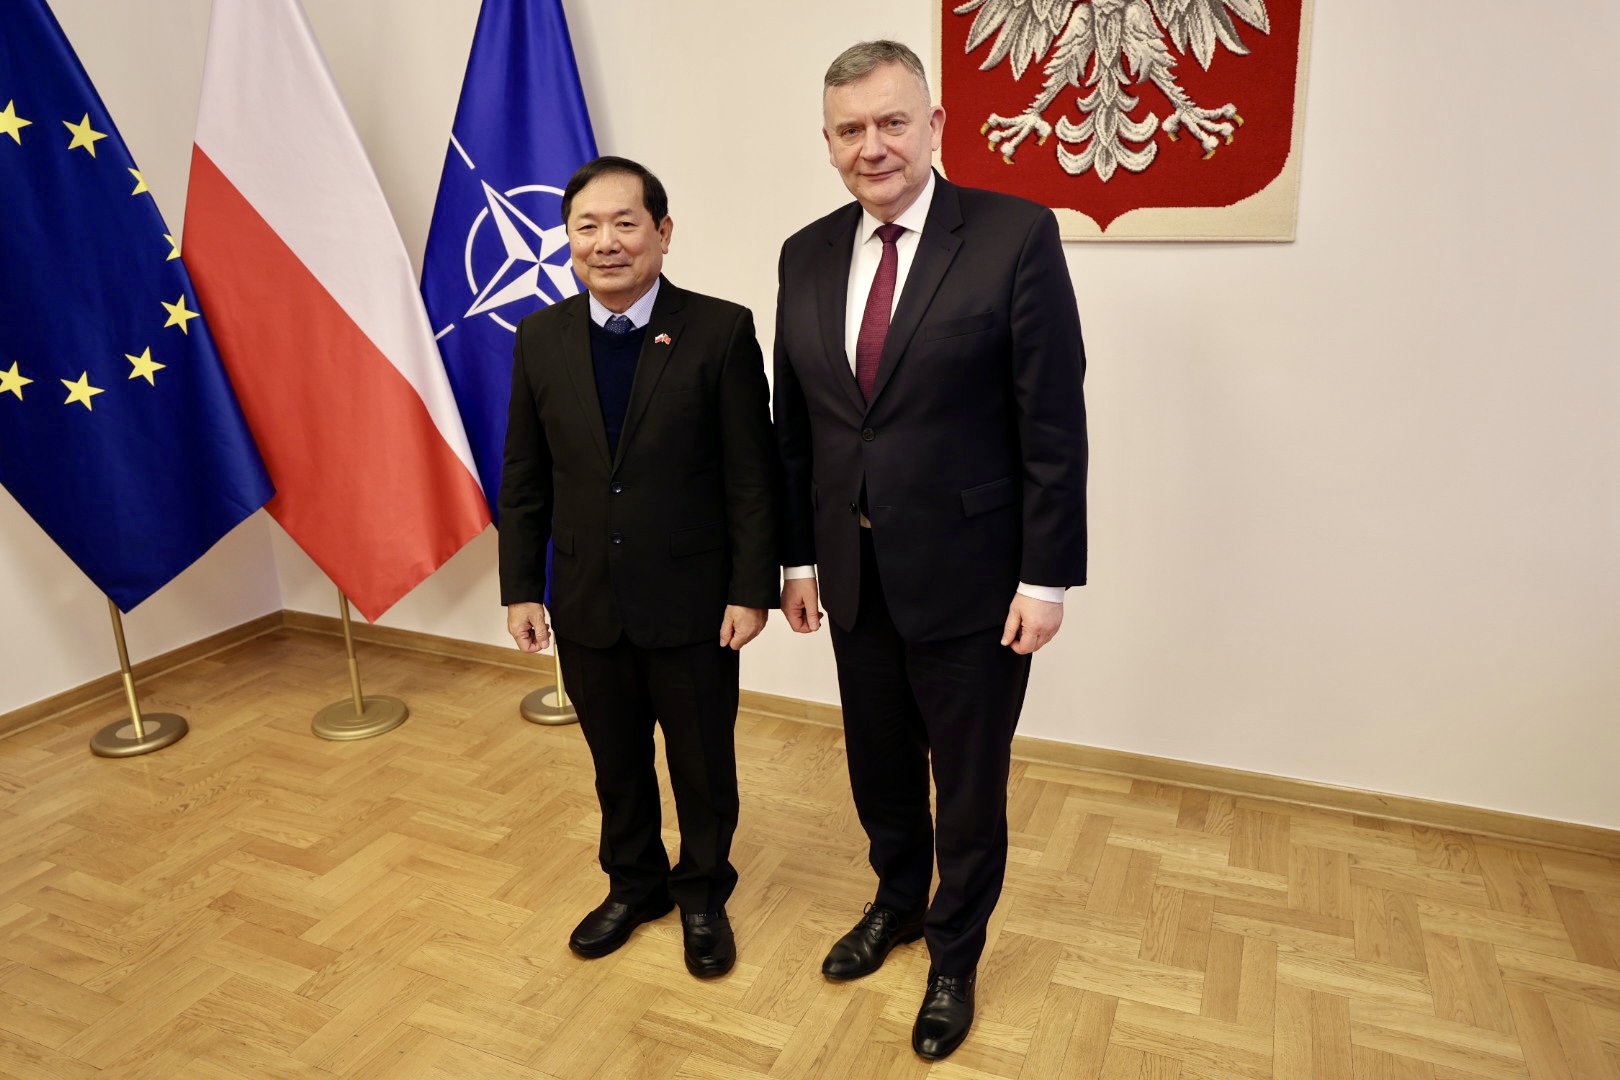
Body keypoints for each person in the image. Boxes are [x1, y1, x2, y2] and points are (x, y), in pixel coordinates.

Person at [772, 41, 1088, 1059]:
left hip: (977, 579)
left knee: (969, 783)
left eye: (891, 122)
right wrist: (797, 561)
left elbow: (1052, 423)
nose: (872, 146)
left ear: (936, 124)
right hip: (852, 575)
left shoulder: (1013, 235)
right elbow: (797, 428)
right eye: (850, 130)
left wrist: (1046, 577)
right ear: (828, 143)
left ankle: (955, 954)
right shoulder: (804, 254)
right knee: (879, 766)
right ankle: (897, 902)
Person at [501, 156, 776, 979]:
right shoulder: (540, 337)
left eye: (625, 223)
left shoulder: (720, 330)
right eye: (587, 226)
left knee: (702, 765)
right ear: (568, 240)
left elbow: (751, 476)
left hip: (694, 603)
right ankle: (634, 885)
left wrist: (751, 590)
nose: (607, 242)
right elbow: (525, 474)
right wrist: (522, 587)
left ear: (662, 231)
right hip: (586, 597)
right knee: (615, 764)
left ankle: (703, 895)